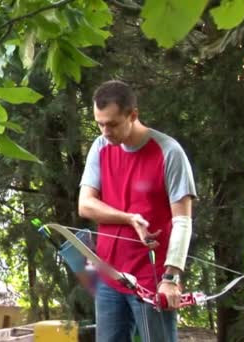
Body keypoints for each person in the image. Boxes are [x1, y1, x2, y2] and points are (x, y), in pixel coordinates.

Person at [78, 80, 197, 342]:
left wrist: (171, 277)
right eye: (100, 123)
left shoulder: (169, 152)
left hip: (151, 280)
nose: (105, 131)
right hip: (110, 276)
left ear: (133, 115)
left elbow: (183, 221)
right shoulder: (100, 147)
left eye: (112, 124)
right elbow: (85, 204)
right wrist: (128, 218)